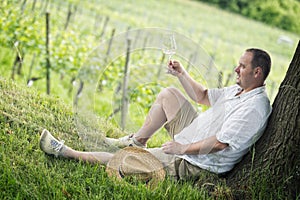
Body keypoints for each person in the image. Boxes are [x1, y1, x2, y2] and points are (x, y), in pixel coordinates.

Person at [40, 48, 272, 180]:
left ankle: (65, 152)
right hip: (193, 134)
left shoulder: (254, 108)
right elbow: (202, 96)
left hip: (197, 162)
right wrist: (181, 74)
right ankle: (137, 140)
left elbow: (220, 144)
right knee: (169, 94)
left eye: (242, 66)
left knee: (127, 159)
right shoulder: (238, 90)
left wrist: (180, 148)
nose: (236, 69)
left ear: (257, 72)